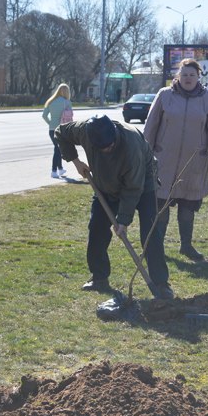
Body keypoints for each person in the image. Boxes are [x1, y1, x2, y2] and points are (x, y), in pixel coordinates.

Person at [55, 114, 174, 300]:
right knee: (97, 228)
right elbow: (61, 132)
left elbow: (133, 188)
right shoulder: (84, 130)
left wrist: (123, 220)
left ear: (114, 134)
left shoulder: (131, 144)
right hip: (106, 183)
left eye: (110, 146)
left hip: (143, 183)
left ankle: (161, 283)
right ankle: (99, 278)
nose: (107, 150)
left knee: (150, 232)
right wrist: (75, 161)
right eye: (102, 148)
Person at [143, 58, 208, 263]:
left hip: (194, 163)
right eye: (184, 74)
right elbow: (151, 125)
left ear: (198, 77)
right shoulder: (165, 95)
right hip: (163, 161)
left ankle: (186, 246)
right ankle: (157, 247)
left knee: (188, 207)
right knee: (161, 206)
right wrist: (144, 152)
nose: (188, 78)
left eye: (192, 75)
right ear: (178, 76)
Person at [41, 83, 73, 178]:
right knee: (57, 149)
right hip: (62, 129)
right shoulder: (67, 102)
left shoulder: (50, 101)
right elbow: (70, 116)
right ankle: (54, 171)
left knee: (58, 148)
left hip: (51, 129)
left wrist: (50, 123)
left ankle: (60, 169)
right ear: (67, 92)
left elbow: (44, 116)